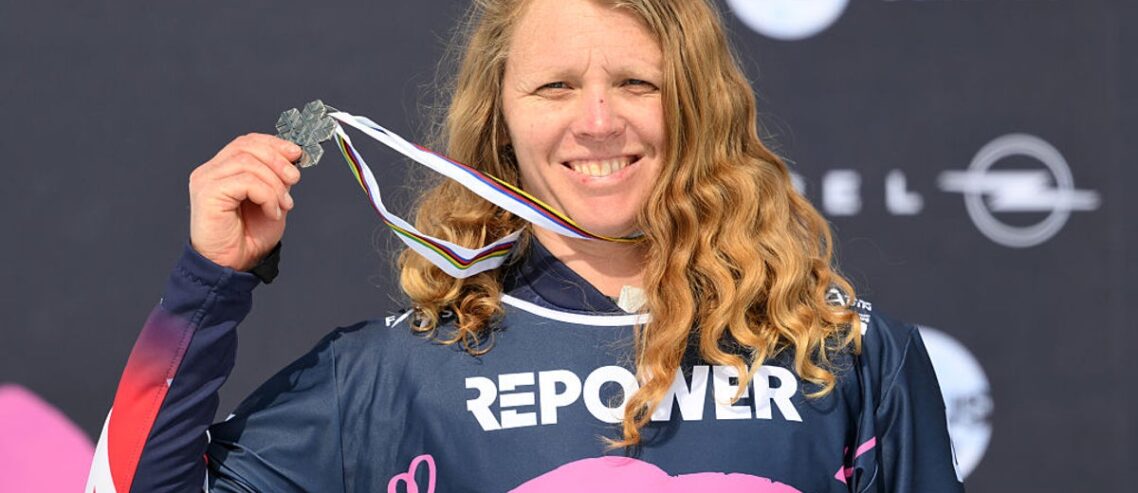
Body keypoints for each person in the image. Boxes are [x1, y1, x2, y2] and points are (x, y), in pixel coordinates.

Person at [87, 0, 964, 491]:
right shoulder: (396, 377)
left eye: (637, 82)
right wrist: (209, 283)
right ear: (500, 119)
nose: (598, 121)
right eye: (555, 86)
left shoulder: (847, 358)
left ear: (700, 105)